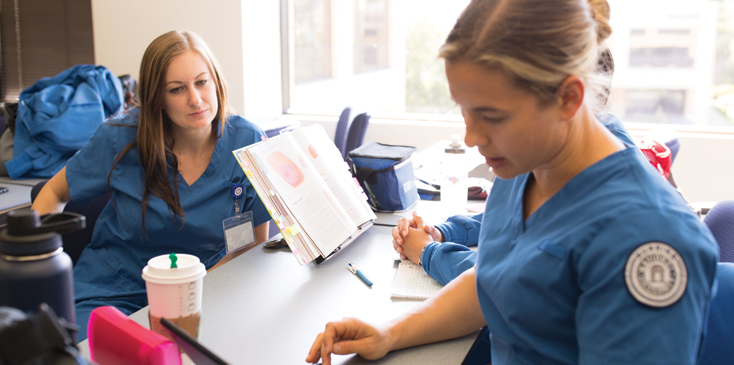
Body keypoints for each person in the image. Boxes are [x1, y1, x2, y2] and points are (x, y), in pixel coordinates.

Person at [306, 0, 719, 364]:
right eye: (464, 111)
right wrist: (390, 333)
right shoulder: (521, 168)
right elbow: (492, 284)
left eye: (493, 116)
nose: (471, 138)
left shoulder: (647, 236)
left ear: (569, 98)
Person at [31, 30, 271, 341]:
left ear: (216, 81)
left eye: (201, 82)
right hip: (113, 288)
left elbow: (251, 242)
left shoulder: (247, 141)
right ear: (157, 97)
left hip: (202, 290)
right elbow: (52, 192)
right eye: (177, 89)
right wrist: (39, 273)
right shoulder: (121, 137)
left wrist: (201, 291)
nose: (196, 99)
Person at [393, 49, 623, 285]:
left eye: (494, 115)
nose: (472, 139)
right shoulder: (548, 146)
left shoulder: (601, 181)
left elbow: (511, 280)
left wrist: (427, 252)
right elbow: (507, 216)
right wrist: (442, 233)